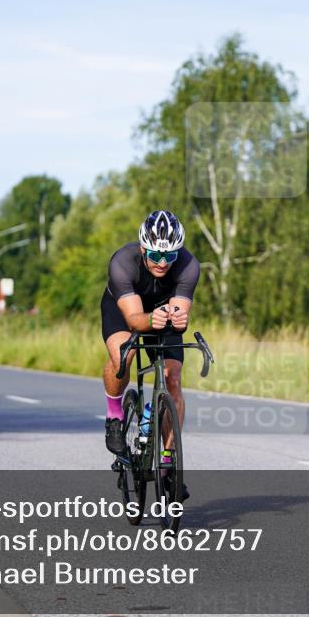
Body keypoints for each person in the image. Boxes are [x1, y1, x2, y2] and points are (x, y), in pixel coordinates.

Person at [100, 210, 199, 496]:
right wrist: (151, 319)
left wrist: (180, 320)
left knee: (173, 379)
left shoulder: (189, 266)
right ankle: (115, 416)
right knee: (123, 356)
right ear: (143, 248)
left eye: (170, 257)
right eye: (155, 255)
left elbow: (181, 311)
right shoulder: (122, 263)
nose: (162, 263)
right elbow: (134, 321)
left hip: (163, 312)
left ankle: (168, 461)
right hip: (125, 310)